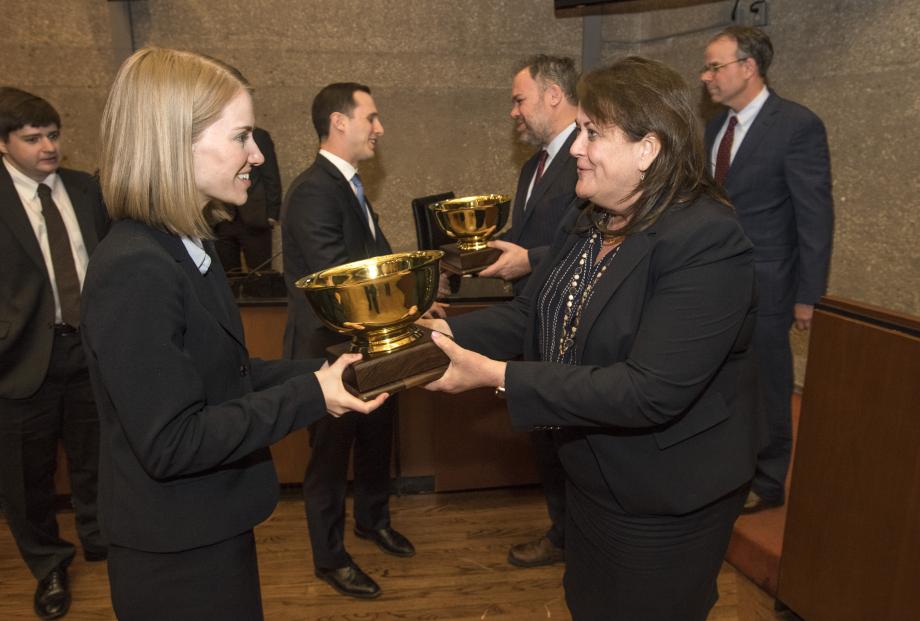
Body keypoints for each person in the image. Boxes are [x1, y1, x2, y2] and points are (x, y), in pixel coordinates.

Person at [422, 57, 761, 620]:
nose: (576, 148)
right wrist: (443, 332)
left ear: (648, 149)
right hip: (592, 476)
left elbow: (648, 390)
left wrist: (496, 376)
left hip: (665, 495)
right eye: (579, 130)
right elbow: (533, 315)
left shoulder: (708, 240)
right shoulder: (592, 217)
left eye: (592, 133)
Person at [80, 48, 386, 621]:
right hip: (175, 554)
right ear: (175, 141)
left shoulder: (186, 244)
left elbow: (226, 378)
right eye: (243, 136)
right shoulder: (134, 266)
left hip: (210, 524)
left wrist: (329, 371)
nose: (258, 154)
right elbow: (173, 442)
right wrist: (312, 396)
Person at [281, 82, 414, 600]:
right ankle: (330, 557)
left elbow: (376, 261)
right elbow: (338, 277)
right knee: (331, 461)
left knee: (378, 438)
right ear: (340, 122)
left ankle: (372, 520)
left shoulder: (352, 187)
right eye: (371, 118)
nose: (379, 128)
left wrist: (420, 301)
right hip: (329, 354)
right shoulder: (315, 190)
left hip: (370, 347)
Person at [701, 26, 834, 514]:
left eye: (715, 66)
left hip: (771, 284)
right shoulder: (715, 128)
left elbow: (814, 214)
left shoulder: (796, 125)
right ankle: (730, 468)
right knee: (725, 381)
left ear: (748, 67)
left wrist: (809, 294)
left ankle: (770, 479)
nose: (706, 76)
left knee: (769, 384)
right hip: (717, 281)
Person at [0, 86, 108, 621]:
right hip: (20, 363)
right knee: (26, 478)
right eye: (32, 137)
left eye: (53, 134)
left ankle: (99, 537)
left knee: (97, 457)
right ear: (3, 144)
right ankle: (48, 565)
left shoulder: (86, 189)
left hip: (88, 352)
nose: (48, 146)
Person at [479, 54, 580, 569]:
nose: (514, 112)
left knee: (565, 439)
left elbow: (596, 241)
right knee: (544, 435)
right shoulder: (531, 168)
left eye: (520, 100)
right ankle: (563, 531)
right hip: (529, 318)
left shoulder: (586, 160)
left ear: (553, 96)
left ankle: (572, 536)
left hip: (570, 325)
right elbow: (526, 240)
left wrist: (529, 259)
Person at [214, 127, 281, 274]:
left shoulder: (259, 136)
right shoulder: (215, 135)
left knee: (261, 275)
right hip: (222, 219)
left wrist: (272, 213)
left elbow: (271, 175)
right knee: (229, 277)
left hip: (255, 217)